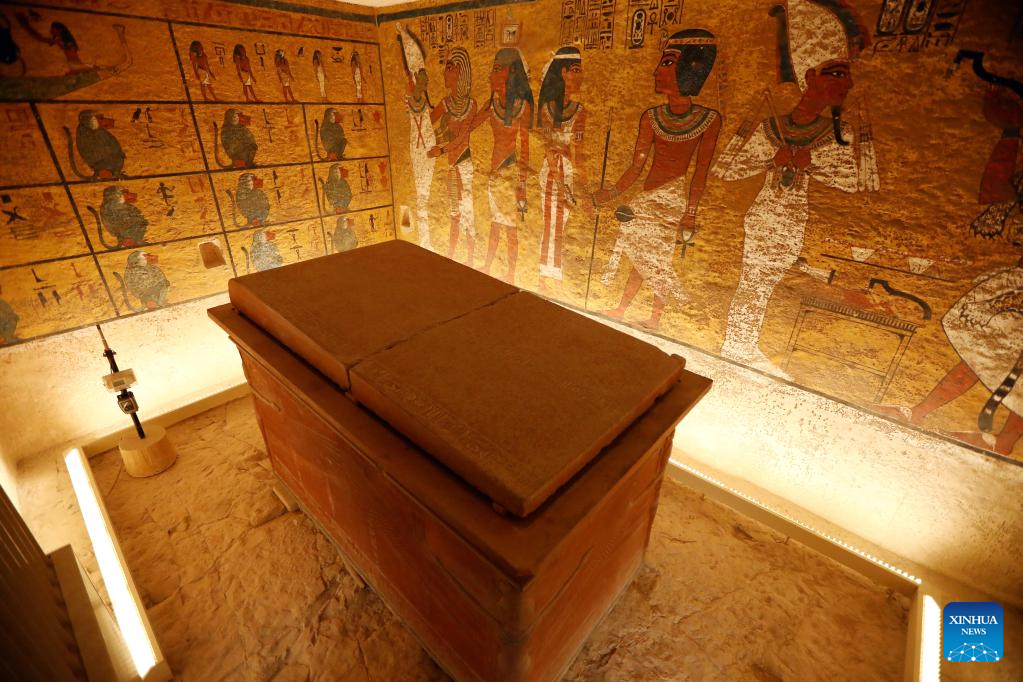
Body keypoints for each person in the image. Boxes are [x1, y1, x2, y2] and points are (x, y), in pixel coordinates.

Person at [713, 0, 872, 374]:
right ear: (811, 77)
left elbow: (855, 182)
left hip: (794, 221)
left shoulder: (840, 132)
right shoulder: (772, 126)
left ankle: (741, 343)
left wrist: (811, 163)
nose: (848, 83)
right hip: (764, 218)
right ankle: (738, 344)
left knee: (764, 283)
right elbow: (727, 170)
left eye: (847, 74)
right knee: (755, 282)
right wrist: (772, 159)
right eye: (837, 73)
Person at [594, 29, 721, 329]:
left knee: (658, 261)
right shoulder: (651, 117)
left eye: (666, 63)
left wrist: (690, 213)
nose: (655, 71)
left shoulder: (709, 120)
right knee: (640, 258)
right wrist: (610, 193)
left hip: (672, 201)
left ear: (690, 67)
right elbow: (636, 166)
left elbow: (700, 171)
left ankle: (655, 318)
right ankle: (622, 309)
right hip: (646, 200)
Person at [460, 48, 533, 284]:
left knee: (510, 228)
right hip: (494, 173)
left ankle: (511, 274)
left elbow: (525, 149)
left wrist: (522, 185)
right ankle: (489, 265)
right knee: (494, 223)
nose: (490, 75)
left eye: (496, 69)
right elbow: (470, 126)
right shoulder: (492, 105)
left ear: (510, 72)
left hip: (510, 170)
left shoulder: (522, 107)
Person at [536, 46, 586, 286]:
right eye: (575, 70)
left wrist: (582, 185)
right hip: (552, 172)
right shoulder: (547, 109)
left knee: (560, 222)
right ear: (563, 72)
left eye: (580, 70)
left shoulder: (580, 111)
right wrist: (561, 183)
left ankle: (553, 271)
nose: (580, 76)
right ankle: (547, 271)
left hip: (567, 172)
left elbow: (580, 153)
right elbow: (548, 149)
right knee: (551, 221)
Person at [428, 48, 477, 265]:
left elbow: (462, 136)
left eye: (448, 68)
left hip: (463, 163)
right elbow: (427, 123)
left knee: (467, 213)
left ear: (459, 70)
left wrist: (441, 150)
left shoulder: (471, 105)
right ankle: (451, 256)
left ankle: (470, 259)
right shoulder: (445, 103)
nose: (444, 73)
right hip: (451, 166)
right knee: (454, 212)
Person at [397, 24, 435, 250]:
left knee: (426, 193)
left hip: (427, 146)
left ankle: (426, 237)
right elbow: (408, 75)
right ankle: (424, 240)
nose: (426, 79)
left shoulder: (422, 101)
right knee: (422, 194)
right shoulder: (413, 100)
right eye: (423, 76)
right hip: (420, 148)